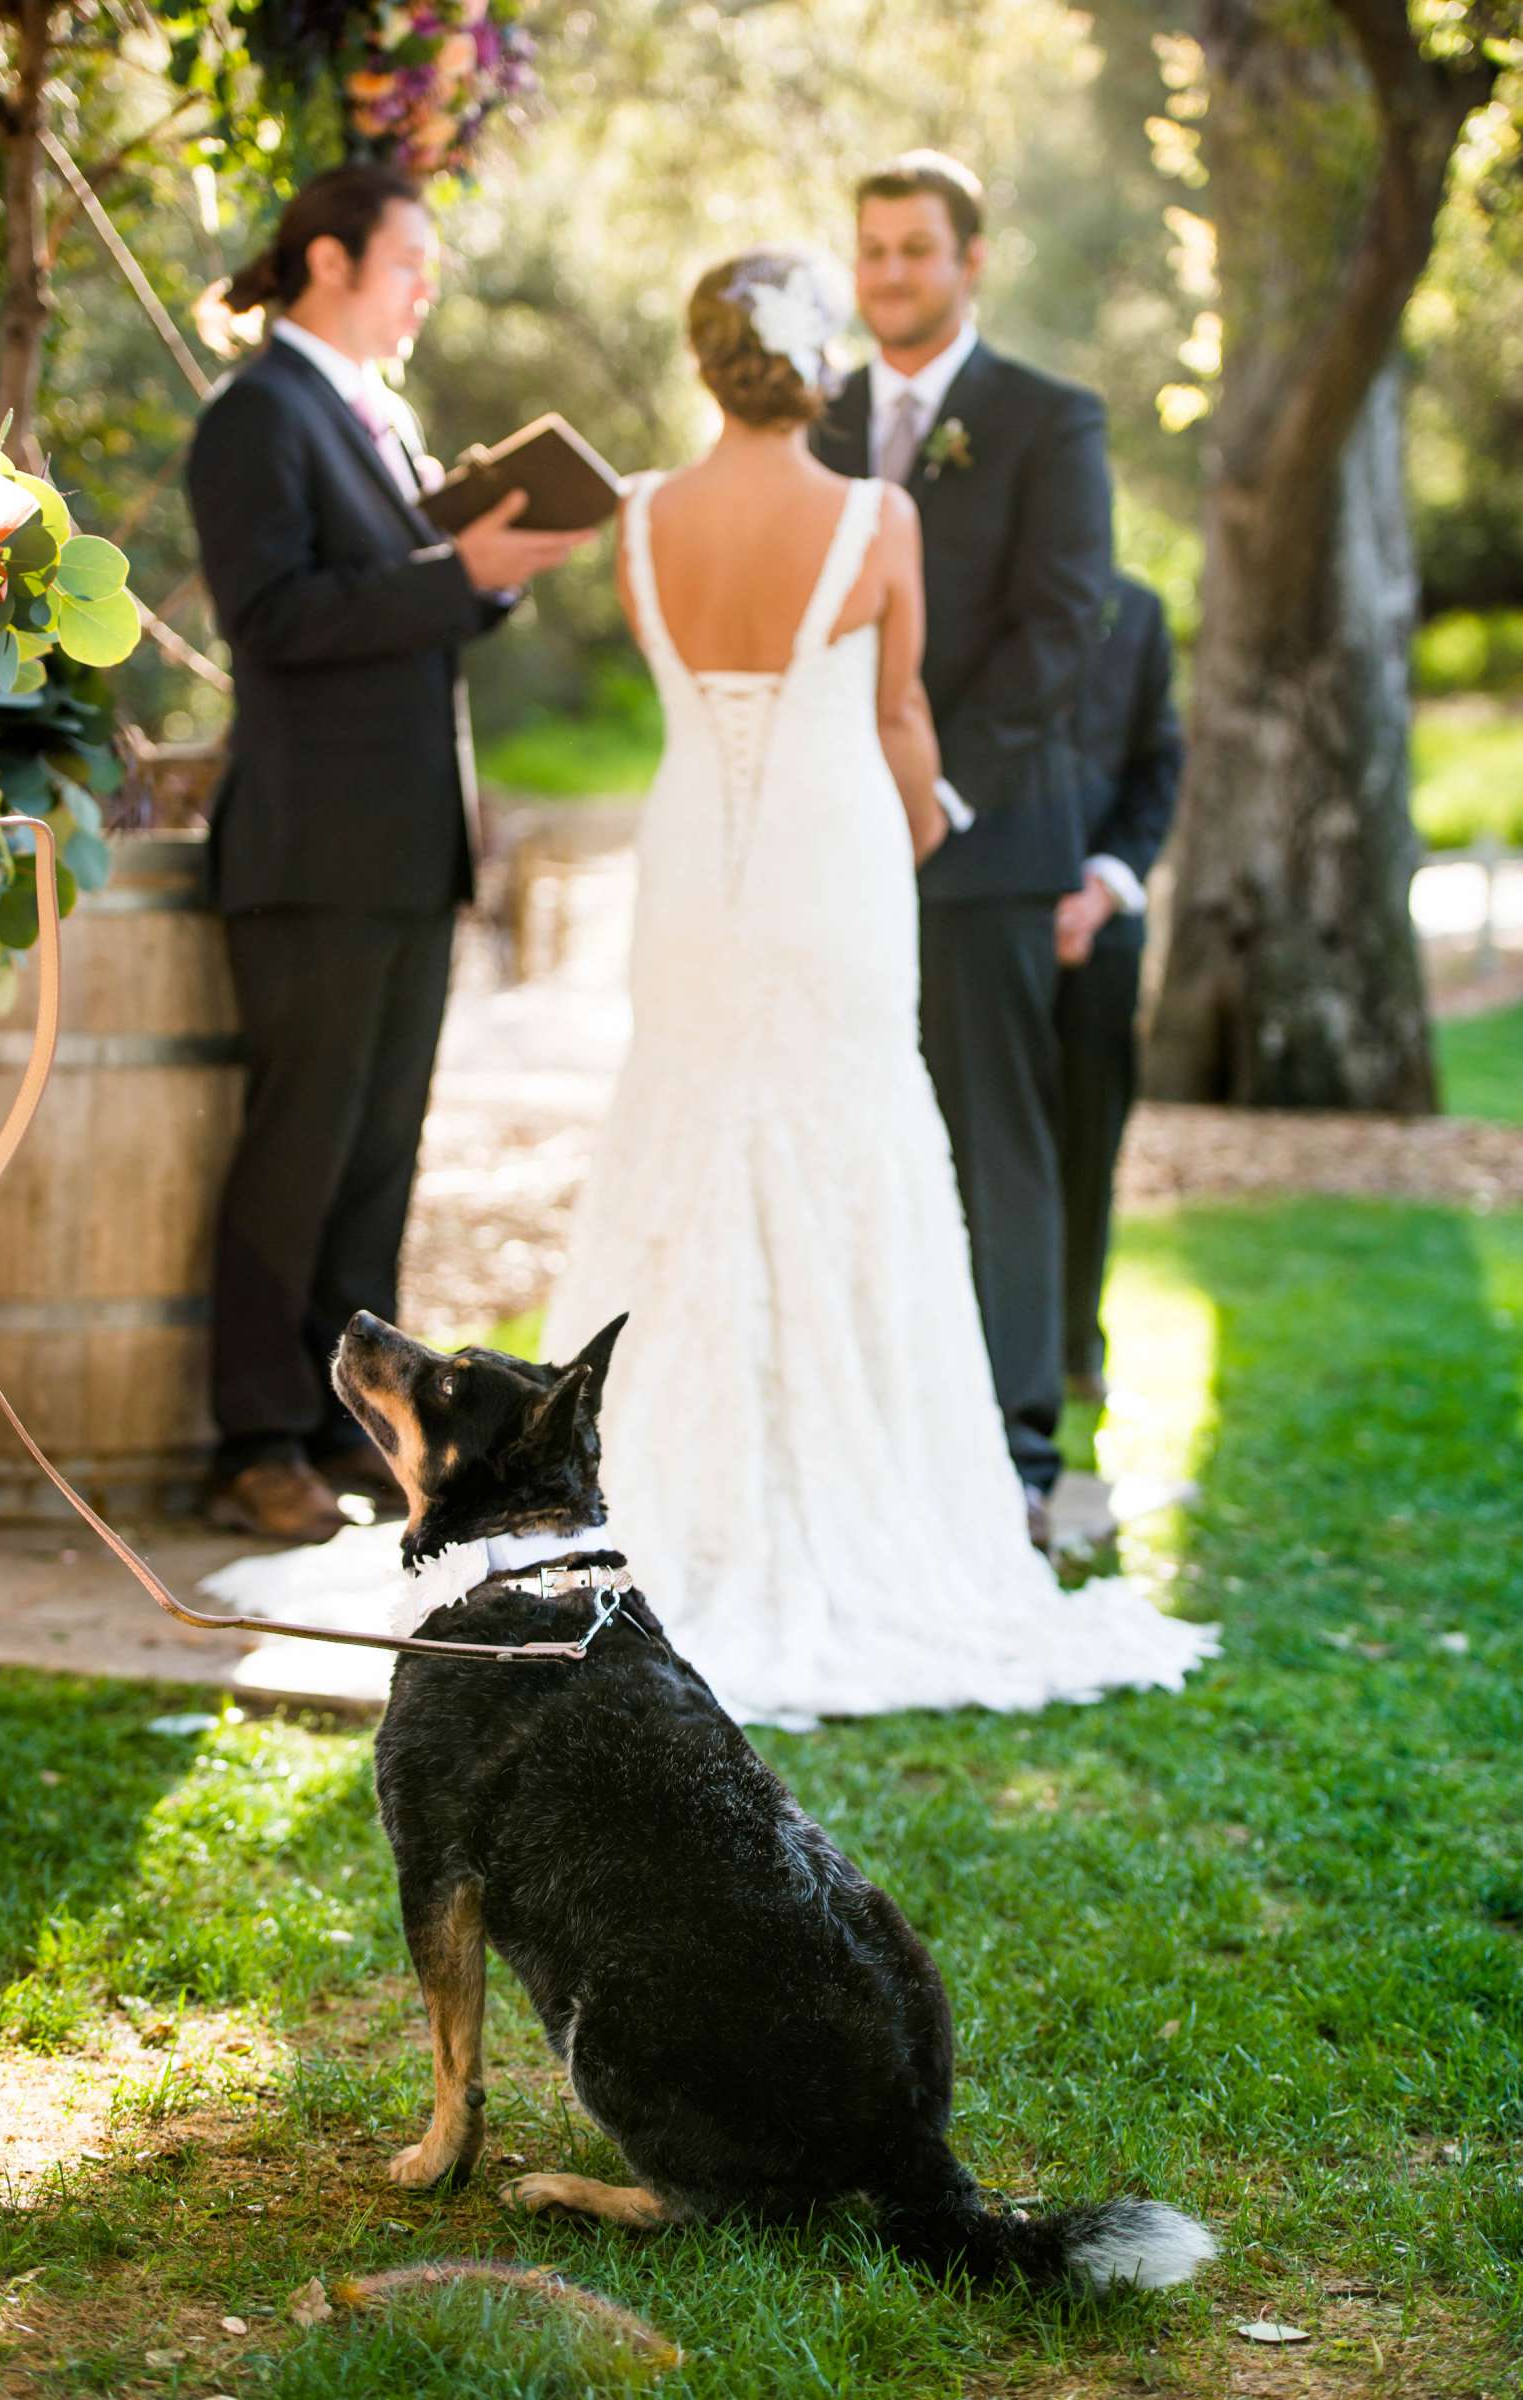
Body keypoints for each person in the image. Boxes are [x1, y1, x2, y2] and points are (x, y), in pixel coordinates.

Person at [540, 248, 1217, 1727]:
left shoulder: (641, 516)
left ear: (703, 359)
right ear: (816, 364)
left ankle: (644, 1487)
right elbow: (902, 707)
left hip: (689, 871)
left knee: (681, 1118)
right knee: (851, 1133)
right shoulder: (874, 515)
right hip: (830, 857)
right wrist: (923, 819)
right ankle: (860, 1484)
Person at [187, 164, 595, 1542]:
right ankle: (248, 1443)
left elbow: (411, 612)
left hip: (410, 850)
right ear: (325, 261)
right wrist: (452, 568)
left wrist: (491, 567)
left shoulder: (383, 414)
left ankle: (339, 1428)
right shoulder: (257, 414)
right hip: (309, 853)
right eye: (409, 259)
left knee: (377, 1156)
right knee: (296, 1152)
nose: (428, 285)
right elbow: (279, 618)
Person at [812, 152, 1115, 1555]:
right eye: (870, 250)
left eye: (914, 251)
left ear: (970, 260)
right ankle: (868, 1429)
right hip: (829, 851)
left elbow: (1063, 625)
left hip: (986, 844)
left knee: (998, 1145)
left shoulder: (1050, 421)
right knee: (848, 1135)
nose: (888, 274)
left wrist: (937, 790)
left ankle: (1018, 1453)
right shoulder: (807, 424)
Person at [1055, 572, 1182, 1403]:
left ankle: (1075, 1344)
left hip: (1102, 932)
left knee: (1090, 1140)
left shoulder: (1138, 611)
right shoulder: (969, 595)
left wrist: (1098, 891)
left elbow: (1158, 764)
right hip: (983, 922)